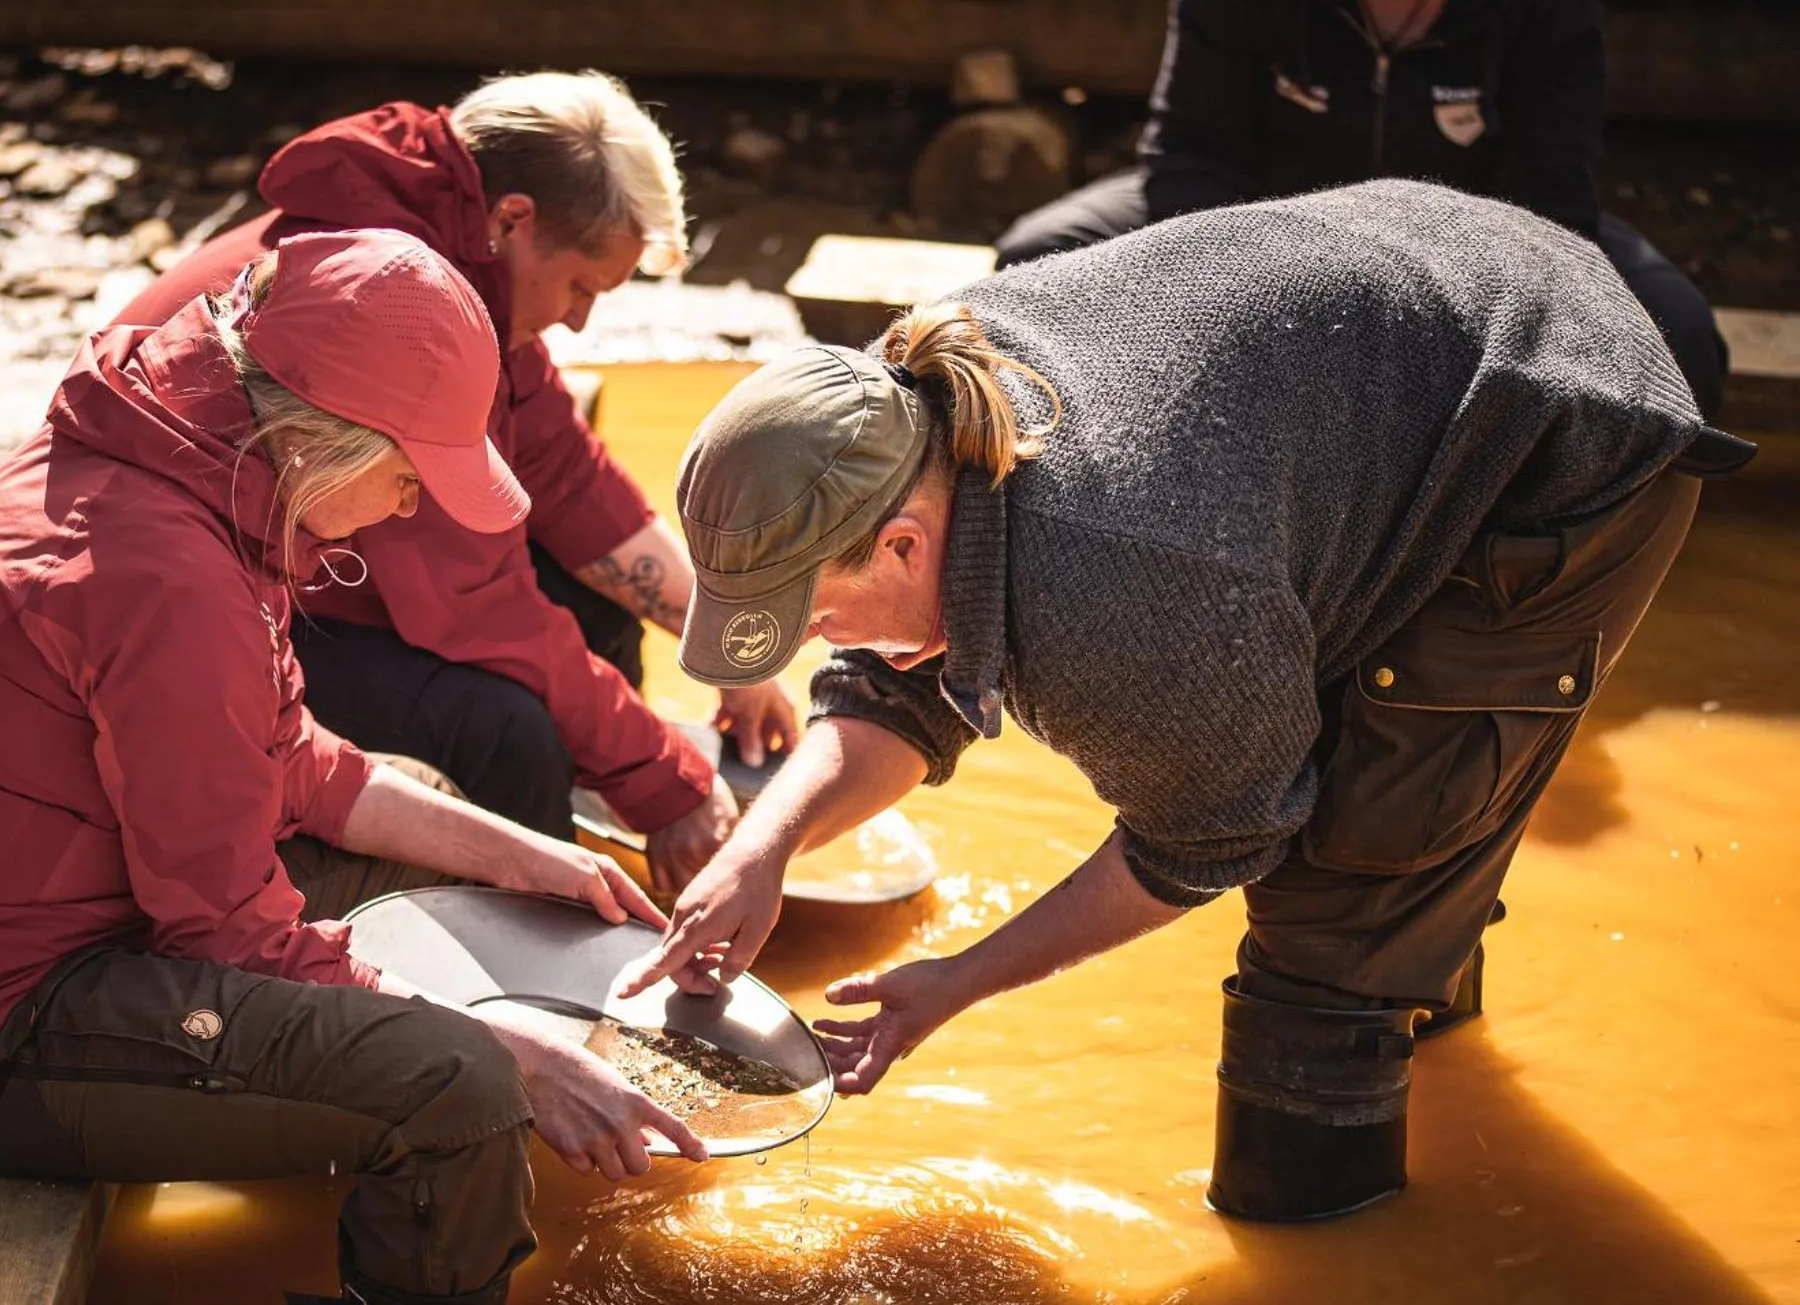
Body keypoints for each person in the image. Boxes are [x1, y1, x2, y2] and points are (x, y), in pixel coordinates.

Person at [623, 180, 1754, 1221]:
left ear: (905, 542)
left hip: (1556, 426)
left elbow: (1214, 836)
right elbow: (893, 686)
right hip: (1394, 352)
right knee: (1377, 816)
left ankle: (1331, 1233)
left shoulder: (1122, 580)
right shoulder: (883, 413)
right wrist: (763, 847)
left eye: (815, 615)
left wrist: (955, 983)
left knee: (1334, 915)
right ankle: (1425, 979)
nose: (816, 644)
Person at [0, 229, 708, 1305]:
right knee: (460, 1088)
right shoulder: (165, 574)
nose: (412, 507)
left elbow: (292, 762)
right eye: (407, 476)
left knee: (445, 844)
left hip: (80, 930)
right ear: (327, 437)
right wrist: (505, 1048)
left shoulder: (191, 469)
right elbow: (229, 934)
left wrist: (533, 858)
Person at [118, 72, 796, 893]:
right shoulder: (395, 299)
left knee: (593, 617)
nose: (581, 319)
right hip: (184, 619)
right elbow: (477, 608)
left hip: (303, 557)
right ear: (513, 219)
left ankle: (586, 833)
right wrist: (664, 777)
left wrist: (722, 642)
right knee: (506, 731)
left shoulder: (448, 242)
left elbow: (564, 473)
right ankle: (543, 926)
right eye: (581, 286)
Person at [993, 0, 1730, 419]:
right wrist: (1245, 299)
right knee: (1037, 259)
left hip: (1466, 252)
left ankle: (1574, 537)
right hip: (1266, 227)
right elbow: (1192, 156)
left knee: (1681, 334)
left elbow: (1548, 204)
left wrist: (1449, 326)